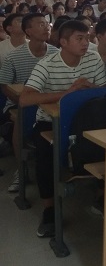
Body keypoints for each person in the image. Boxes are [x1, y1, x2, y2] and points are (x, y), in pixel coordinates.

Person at [19, 20, 106, 238]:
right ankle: (49, 209)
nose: (86, 43)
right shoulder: (47, 64)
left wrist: (90, 88)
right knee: (45, 153)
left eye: (87, 38)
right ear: (63, 42)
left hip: (86, 120)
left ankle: (101, 196)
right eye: (79, 38)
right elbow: (25, 99)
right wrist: (68, 93)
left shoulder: (94, 59)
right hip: (50, 121)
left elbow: (104, 93)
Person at [0, 13, 58, 193]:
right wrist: (23, 101)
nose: (47, 27)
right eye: (41, 24)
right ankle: (21, 169)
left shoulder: (56, 53)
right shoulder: (13, 56)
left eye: (47, 24)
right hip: (19, 102)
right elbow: (4, 86)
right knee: (21, 117)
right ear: (28, 31)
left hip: (50, 101)